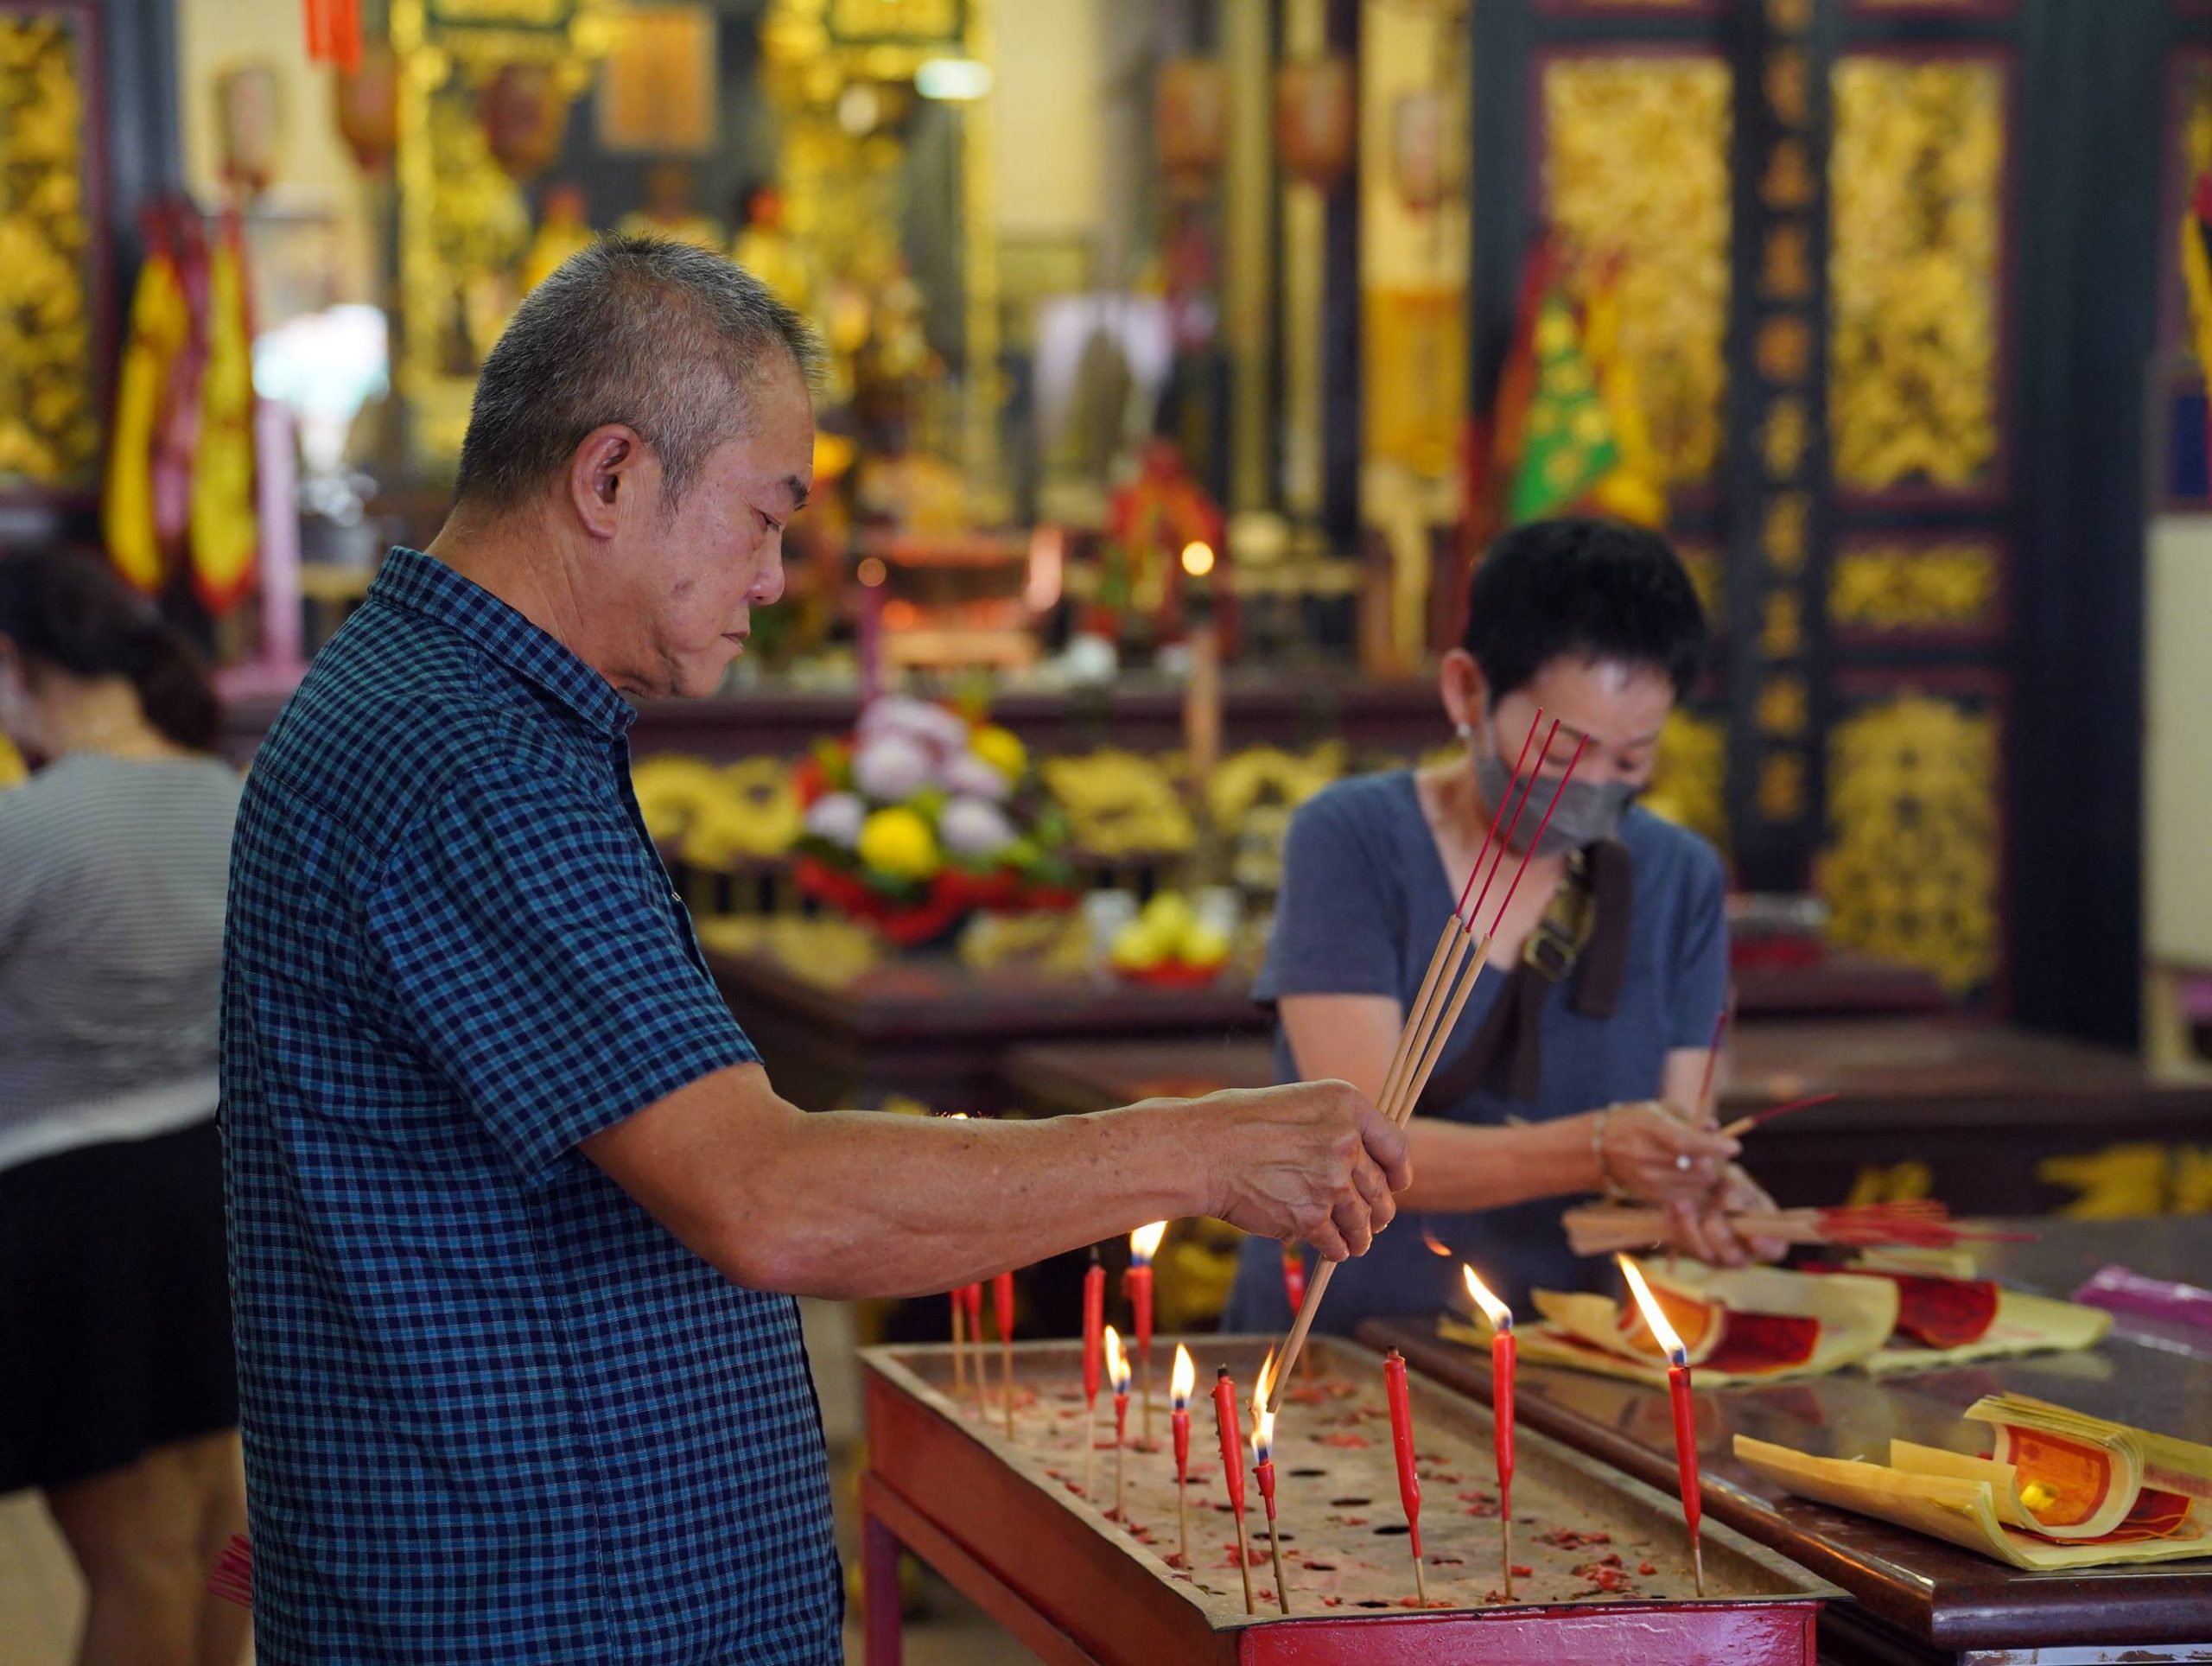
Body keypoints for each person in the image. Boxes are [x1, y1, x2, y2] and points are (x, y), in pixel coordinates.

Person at [219, 236, 1411, 1665]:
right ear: (611, 479)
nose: (779, 577)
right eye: (763, 517)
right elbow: (769, 1197)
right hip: (542, 1617)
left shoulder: (456, 705)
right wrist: (1203, 1151)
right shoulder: (467, 758)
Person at [1223, 517, 1783, 1339]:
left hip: (1570, 1352)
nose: (1591, 789)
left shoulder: (1681, 877)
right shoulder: (1352, 840)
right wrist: (1596, 1149)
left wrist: (1698, 1191)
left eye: (1630, 762)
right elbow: (1352, 1147)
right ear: (1467, 691)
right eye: (1561, 757)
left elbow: (1677, 1130)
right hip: (1347, 1339)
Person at [0, 548, 248, 1666]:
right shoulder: (229, 795)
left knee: (132, 1558)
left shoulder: (36, 828)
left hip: (78, 1219)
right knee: (225, 1537)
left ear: (14, 666)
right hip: (219, 1194)